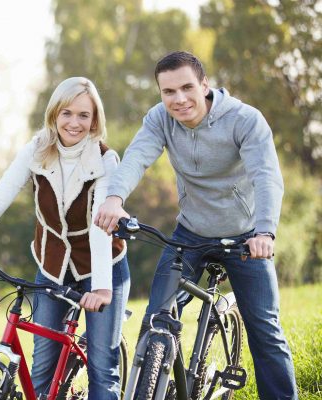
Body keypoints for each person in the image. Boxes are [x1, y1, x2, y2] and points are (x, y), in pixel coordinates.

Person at [94, 51, 298, 399]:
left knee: (265, 330)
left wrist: (264, 231)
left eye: (187, 87)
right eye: (168, 92)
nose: (179, 99)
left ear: (205, 84)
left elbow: (266, 177)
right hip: (190, 233)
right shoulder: (159, 119)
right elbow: (138, 157)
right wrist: (114, 198)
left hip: (246, 236)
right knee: (155, 319)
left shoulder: (244, 120)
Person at [0, 77, 131, 399]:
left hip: (102, 269)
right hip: (52, 267)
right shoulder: (36, 150)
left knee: (102, 370)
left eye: (83, 115)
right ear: (54, 114)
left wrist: (100, 286)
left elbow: (102, 225)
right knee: (42, 370)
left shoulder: (105, 160)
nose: (74, 123)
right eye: (66, 113)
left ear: (94, 119)